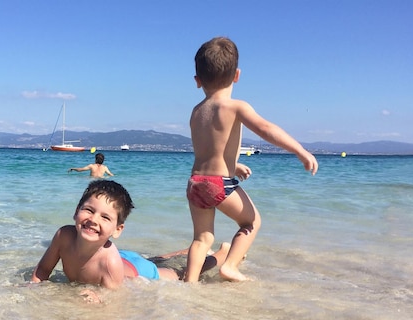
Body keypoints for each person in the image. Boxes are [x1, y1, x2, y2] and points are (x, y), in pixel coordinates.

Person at [185, 36, 318, 283]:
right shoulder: (235, 106)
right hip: (217, 184)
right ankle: (230, 267)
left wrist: (233, 165)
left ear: (197, 81)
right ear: (237, 75)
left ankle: (189, 282)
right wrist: (300, 150)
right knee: (252, 222)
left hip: (195, 182)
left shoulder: (196, 112)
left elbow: (208, 151)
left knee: (202, 238)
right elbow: (266, 129)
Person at [32, 180, 230, 292]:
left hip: (136, 270)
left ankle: (221, 255)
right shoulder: (63, 236)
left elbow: (115, 299)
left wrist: (99, 298)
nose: (93, 219)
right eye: (89, 210)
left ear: (117, 230)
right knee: (159, 259)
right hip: (123, 257)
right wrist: (33, 286)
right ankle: (186, 250)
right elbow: (43, 269)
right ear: (76, 211)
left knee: (180, 273)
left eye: (105, 217)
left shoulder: (109, 263)